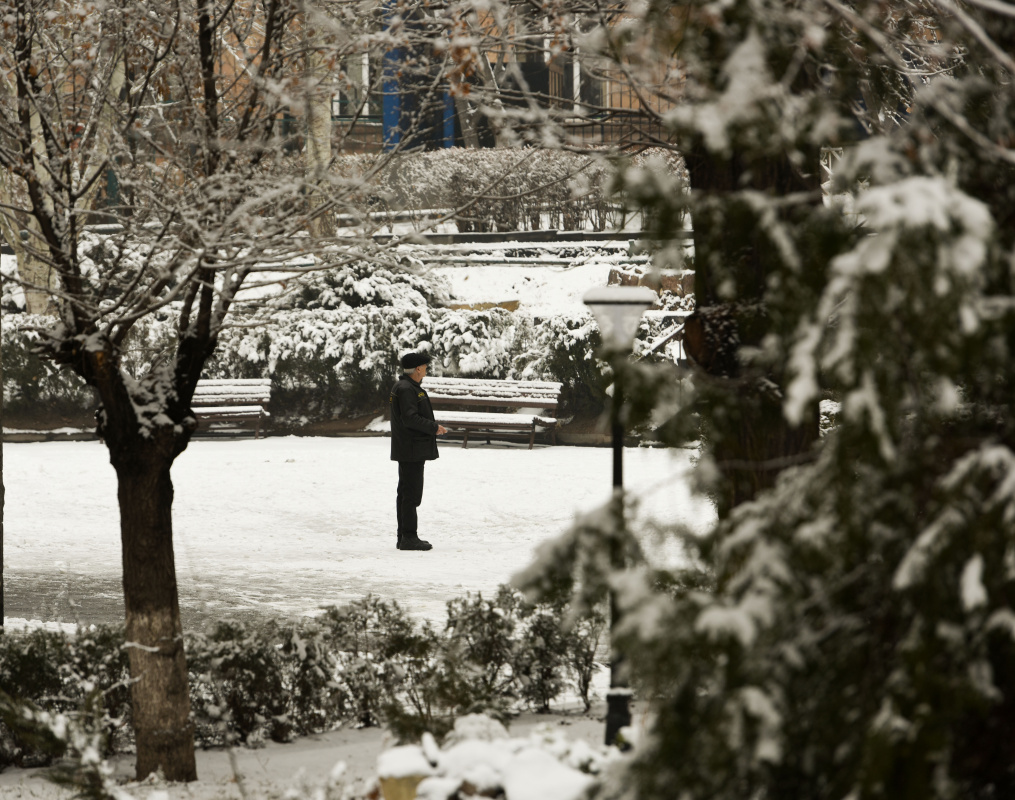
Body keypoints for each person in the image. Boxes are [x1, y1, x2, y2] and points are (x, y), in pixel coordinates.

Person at [389, 351, 447, 551]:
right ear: (418, 369)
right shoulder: (406, 389)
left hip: (410, 448)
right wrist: (434, 427)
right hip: (410, 448)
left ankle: (404, 536)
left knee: (407, 492)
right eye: (425, 367)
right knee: (410, 494)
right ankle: (408, 537)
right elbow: (410, 418)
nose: (426, 370)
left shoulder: (408, 387)